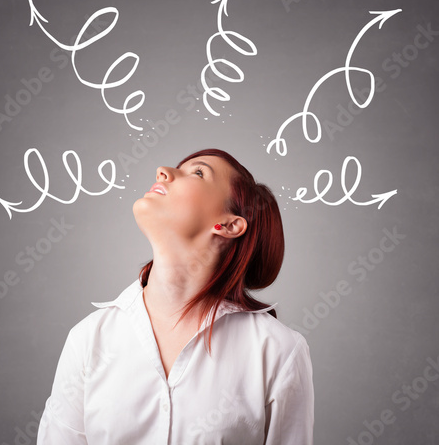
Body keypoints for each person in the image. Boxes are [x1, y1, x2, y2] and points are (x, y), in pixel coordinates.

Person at [36, 148, 314, 444]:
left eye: (197, 172)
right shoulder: (88, 339)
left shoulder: (278, 351)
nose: (163, 171)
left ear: (229, 225)